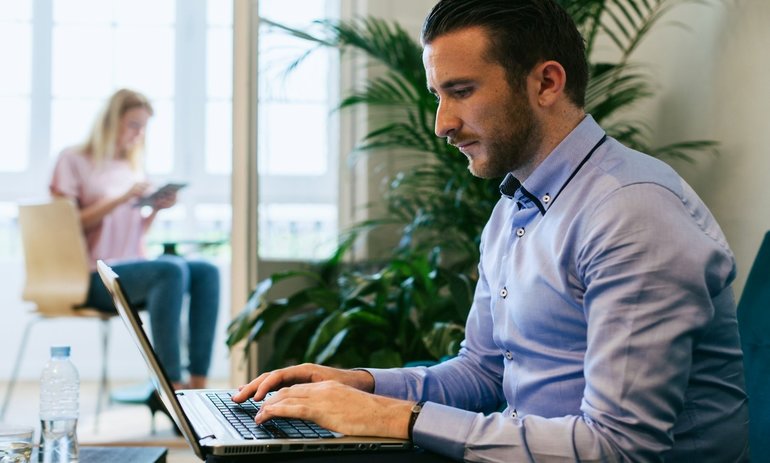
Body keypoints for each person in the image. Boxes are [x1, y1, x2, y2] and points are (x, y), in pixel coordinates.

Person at [232, 0, 749, 461]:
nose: (441, 123)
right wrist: (362, 385)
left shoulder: (631, 212)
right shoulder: (517, 206)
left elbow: (618, 446)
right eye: (438, 94)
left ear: (547, 83)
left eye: (461, 92)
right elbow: (484, 372)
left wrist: (396, 419)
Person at [49, 88, 220, 391]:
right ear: (111, 122)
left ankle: (198, 385)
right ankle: (171, 388)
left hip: (129, 269)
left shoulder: (129, 166)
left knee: (206, 271)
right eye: (134, 125)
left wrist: (153, 208)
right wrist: (120, 198)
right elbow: (64, 227)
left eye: (143, 127)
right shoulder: (73, 159)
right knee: (170, 268)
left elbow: (132, 234)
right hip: (91, 277)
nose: (139, 134)